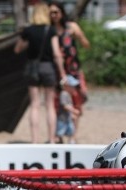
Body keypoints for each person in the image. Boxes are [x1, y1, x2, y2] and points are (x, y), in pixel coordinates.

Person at [14, 2, 67, 144]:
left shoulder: (28, 30)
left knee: (35, 104)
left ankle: (35, 140)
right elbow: (56, 53)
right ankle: (51, 138)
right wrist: (62, 72)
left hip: (33, 68)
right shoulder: (51, 30)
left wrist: (30, 45)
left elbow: (17, 49)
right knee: (49, 105)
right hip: (48, 67)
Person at [49, 0, 89, 141]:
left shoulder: (70, 27)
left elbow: (85, 44)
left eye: (56, 12)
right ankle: (58, 135)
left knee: (76, 102)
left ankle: (73, 135)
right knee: (57, 103)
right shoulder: (49, 31)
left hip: (73, 71)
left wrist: (77, 34)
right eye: (51, 13)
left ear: (61, 12)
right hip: (56, 72)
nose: (54, 15)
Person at [55, 75, 81, 144]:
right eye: (72, 86)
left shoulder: (69, 94)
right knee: (59, 133)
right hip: (62, 119)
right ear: (66, 86)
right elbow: (65, 106)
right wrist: (74, 111)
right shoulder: (64, 94)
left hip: (68, 118)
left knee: (71, 131)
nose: (74, 88)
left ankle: (71, 141)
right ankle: (58, 142)